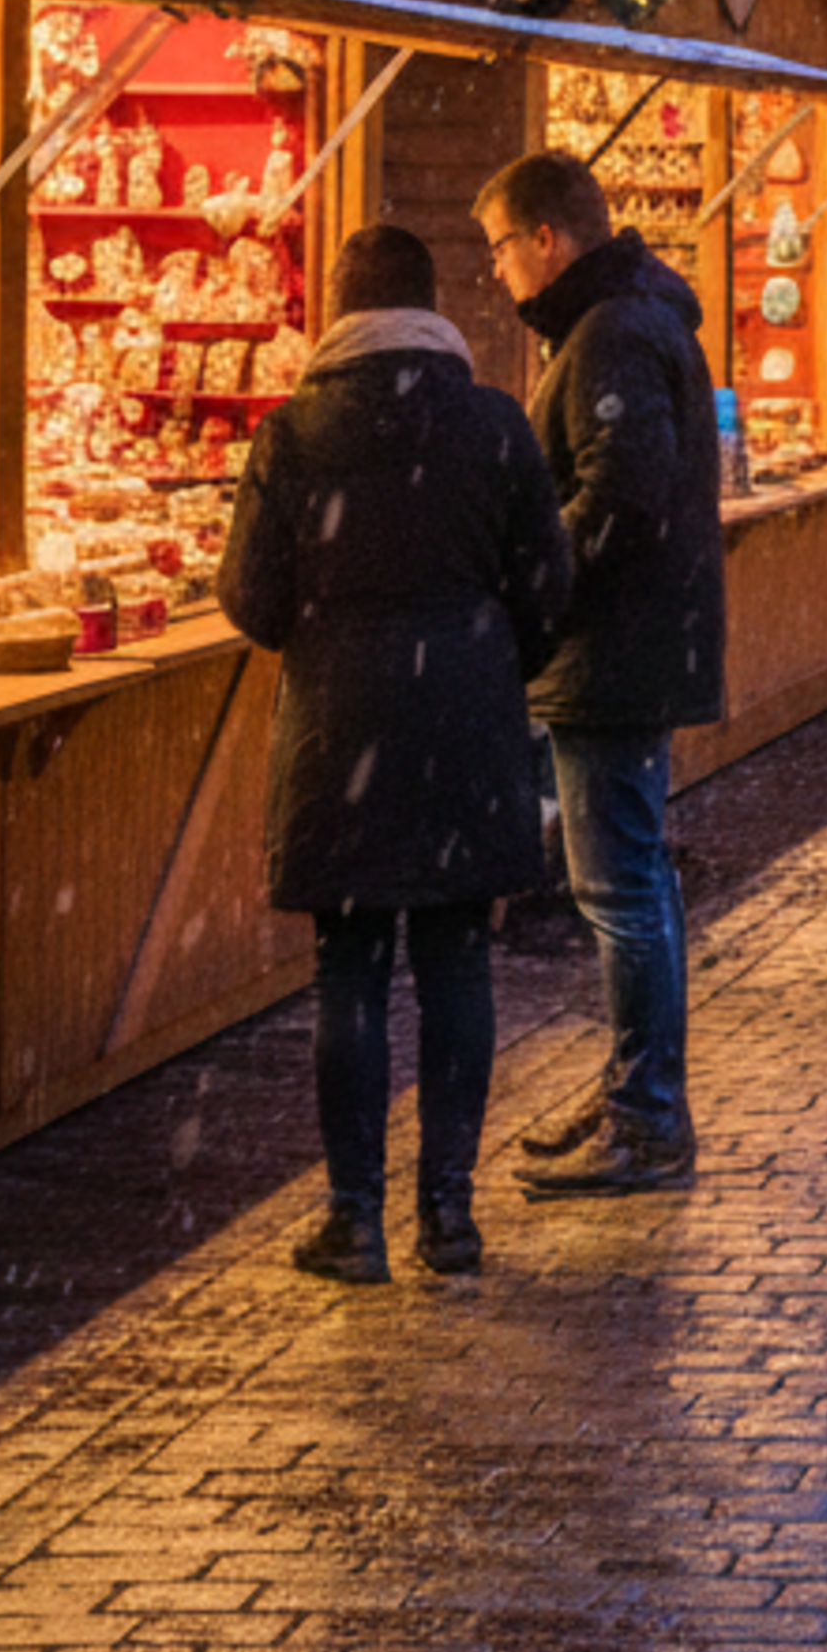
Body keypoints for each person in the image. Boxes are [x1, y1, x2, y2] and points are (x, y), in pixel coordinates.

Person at [223, 226, 569, 1282]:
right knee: (459, 963)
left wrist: (336, 633)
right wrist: (485, 651)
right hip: (465, 719)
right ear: (433, 308)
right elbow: (549, 592)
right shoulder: (495, 426)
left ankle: (354, 1217)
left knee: (351, 972)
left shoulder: (294, 434)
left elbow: (249, 598)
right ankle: (450, 1216)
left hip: (342, 725)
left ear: (337, 311)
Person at [479, 151, 726, 1200]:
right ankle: (634, 1086)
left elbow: (621, 491)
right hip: (631, 645)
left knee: (621, 889)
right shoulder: (620, 320)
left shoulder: (613, 332)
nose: (495, 271)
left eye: (500, 247)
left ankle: (647, 1114)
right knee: (628, 883)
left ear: (547, 239)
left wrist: (545, 579)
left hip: (614, 652)